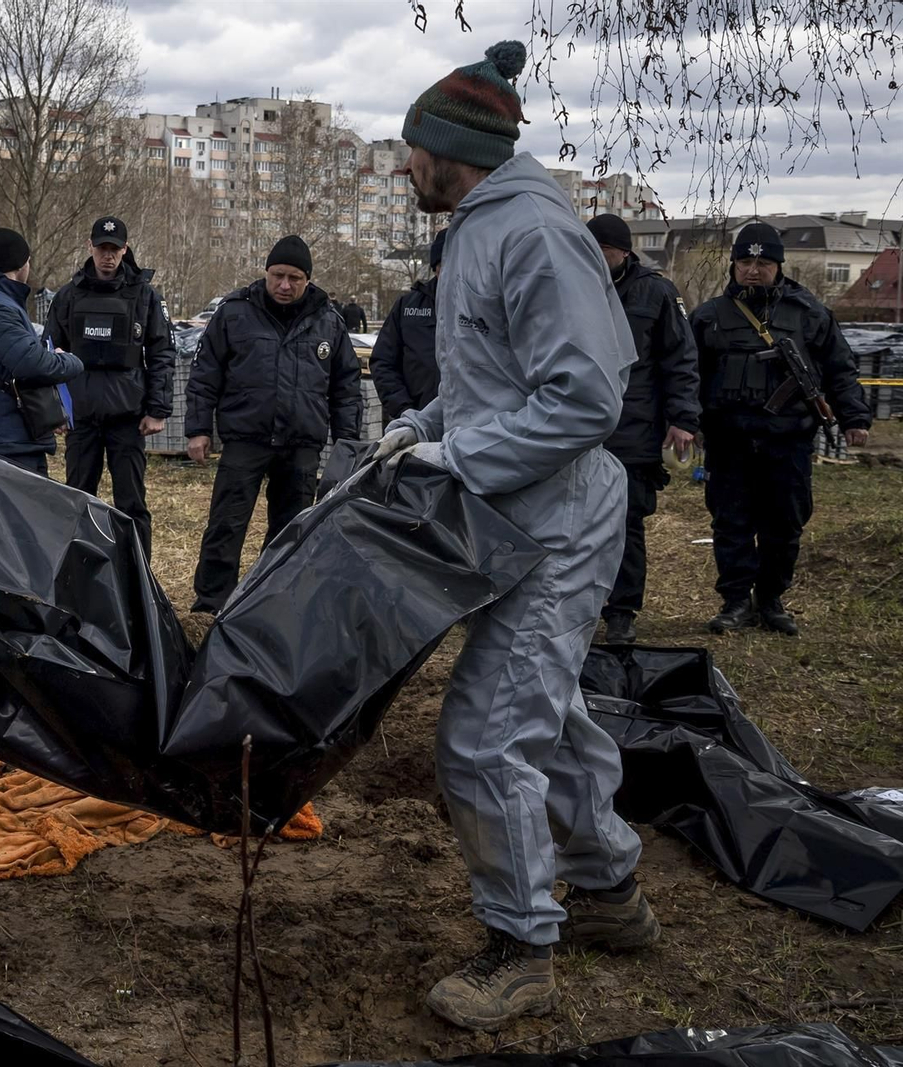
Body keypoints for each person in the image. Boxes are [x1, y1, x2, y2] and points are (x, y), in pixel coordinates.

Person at [377, 40, 659, 1032]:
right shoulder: (478, 228)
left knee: (487, 731)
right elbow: (495, 380)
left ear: (452, 150)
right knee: (548, 712)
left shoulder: (530, 231)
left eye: (412, 150)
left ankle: (522, 945)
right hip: (513, 516)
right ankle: (611, 891)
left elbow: (582, 396)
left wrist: (455, 461)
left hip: (557, 523)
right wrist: (423, 425)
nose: (404, 166)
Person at [690, 222, 871, 636]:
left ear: (779, 266)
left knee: (785, 523)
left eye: (763, 262)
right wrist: (686, 422)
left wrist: (854, 417)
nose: (753, 270)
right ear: (733, 265)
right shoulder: (708, 316)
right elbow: (688, 376)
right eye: (745, 261)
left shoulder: (809, 314)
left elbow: (840, 369)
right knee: (731, 523)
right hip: (730, 438)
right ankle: (735, 601)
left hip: (787, 439)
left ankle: (770, 599)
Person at [185, 234, 362, 613]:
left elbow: (346, 387)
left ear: (307, 280)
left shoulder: (328, 322)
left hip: (301, 444)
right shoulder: (234, 313)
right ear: (266, 273)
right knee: (226, 524)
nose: (284, 285)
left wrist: (349, 445)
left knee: (291, 529)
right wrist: (198, 429)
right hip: (245, 438)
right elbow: (205, 374)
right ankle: (211, 603)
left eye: (294, 278)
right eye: (278, 275)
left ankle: (274, 602)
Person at [584, 214, 702, 644]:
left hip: (633, 429)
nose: (595, 259)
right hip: (576, 429)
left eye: (604, 252)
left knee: (625, 522)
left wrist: (683, 419)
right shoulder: (570, 288)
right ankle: (579, 603)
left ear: (623, 253)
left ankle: (621, 612)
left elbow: (680, 359)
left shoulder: (655, 293)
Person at [43, 216, 174, 559]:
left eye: (115, 249)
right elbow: (46, 353)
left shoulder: (144, 296)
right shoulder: (69, 295)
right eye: (102, 248)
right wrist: (52, 409)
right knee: (76, 498)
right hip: (82, 418)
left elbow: (161, 351)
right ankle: (73, 576)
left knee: (131, 502)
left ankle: (139, 577)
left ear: (125, 250)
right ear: (91, 247)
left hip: (126, 418)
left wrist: (157, 409)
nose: (108, 256)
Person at [0, 227, 83, 476]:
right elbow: (31, 364)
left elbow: (11, 370)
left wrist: (48, 413)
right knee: (13, 515)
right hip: (4, 443)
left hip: (11, 437)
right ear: (19, 263)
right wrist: (69, 361)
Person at [370, 229, 445, 421]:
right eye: (445, 265)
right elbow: (383, 362)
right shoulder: (407, 307)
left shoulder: (482, 307)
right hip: (413, 421)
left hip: (467, 428)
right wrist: (404, 411)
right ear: (435, 267)